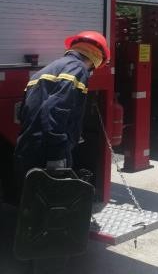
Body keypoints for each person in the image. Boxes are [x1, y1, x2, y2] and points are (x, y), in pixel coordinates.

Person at [13, 31, 110, 197]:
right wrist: (57, 151)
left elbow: (24, 112)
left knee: (34, 203)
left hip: (27, 146)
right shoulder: (78, 69)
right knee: (54, 204)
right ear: (96, 57)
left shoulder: (46, 70)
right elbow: (55, 109)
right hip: (47, 150)